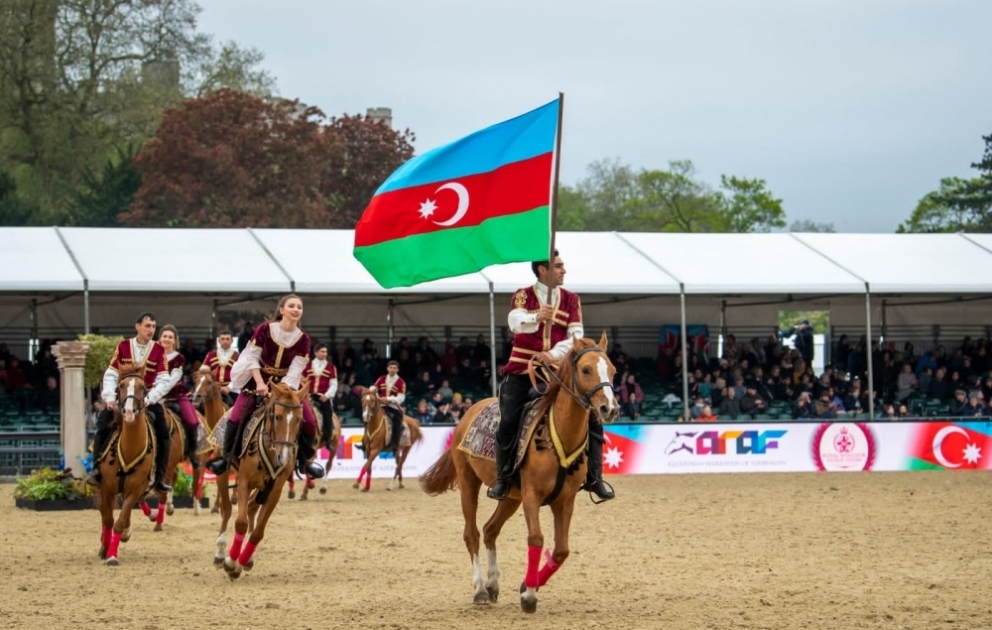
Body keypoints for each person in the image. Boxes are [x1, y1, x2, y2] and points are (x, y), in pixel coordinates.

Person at [488, 249, 614, 503]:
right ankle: (503, 478)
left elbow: (575, 336)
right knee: (509, 420)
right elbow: (515, 321)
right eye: (558, 266)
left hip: (555, 372)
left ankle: (595, 477)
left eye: (563, 265)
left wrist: (554, 354)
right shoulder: (523, 295)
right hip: (521, 370)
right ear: (542, 270)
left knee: (592, 419)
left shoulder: (571, 299)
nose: (563, 270)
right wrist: (537, 316)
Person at [206, 295, 324, 479]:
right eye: (291, 306)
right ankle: (226, 459)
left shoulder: (304, 340)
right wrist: (260, 383)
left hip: (286, 387)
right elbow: (251, 357)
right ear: (282, 310)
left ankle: (304, 462)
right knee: (236, 417)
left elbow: (295, 371)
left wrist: (279, 392)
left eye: (299, 307)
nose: (296, 309)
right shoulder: (264, 329)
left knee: (309, 421)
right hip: (256, 381)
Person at [86, 312, 173, 492]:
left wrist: (150, 399)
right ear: (137, 326)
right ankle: (96, 470)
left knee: (164, 433)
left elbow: (164, 380)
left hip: (146, 399)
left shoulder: (158, 350)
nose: (151, 330)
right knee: (102, 424)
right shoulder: (123, 346)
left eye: (153, 327)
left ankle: (158, 477)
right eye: (147, 326)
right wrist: (109, 398)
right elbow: (111, 374)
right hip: (121, 399)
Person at [158, 325, 203, 468]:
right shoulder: (152, 356)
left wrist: (160, 392)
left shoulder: (179, 358)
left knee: (192, 420)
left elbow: (172, 380)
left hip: (176, 394)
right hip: (153, 395)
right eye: (164, 336)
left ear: (175, 340)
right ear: (160, 338)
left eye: (170, 337)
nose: (167, 339)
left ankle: (191, 452)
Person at [302, 343, 338, 440]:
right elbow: (301, 381)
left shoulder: (331, 367)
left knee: (327, 415)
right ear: (316, 353)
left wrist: (327, 395)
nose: (324, 354)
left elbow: (334, 384)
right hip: (308, 396)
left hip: (322, 397)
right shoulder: (307, 366)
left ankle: (327, 438)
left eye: (325, 352)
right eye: (322, 352)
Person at [371, 360, 407, 452]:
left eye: (394, 368)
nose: (392, 370)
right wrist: (378, 397)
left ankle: (395, 444)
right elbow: (373, 388)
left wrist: (388, 399)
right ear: (387, 368)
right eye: (390, 368)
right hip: (381, 405)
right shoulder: (381, 379)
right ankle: (365, 441)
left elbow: (401, 398)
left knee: (396, 421)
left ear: (397, 370)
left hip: (393, 406)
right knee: (369, 417)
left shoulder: (401, 382)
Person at [202, 329, 239, 406]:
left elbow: (240, 375)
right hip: (213, 390)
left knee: (240, 411)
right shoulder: (211, 354)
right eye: (222, 339)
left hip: (232, 390)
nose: (225, 341)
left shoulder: (238, 356)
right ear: (219, 341)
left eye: (227, 339)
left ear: (232, 341)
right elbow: (202, 370)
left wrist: (229, 387)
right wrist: (205, 369)